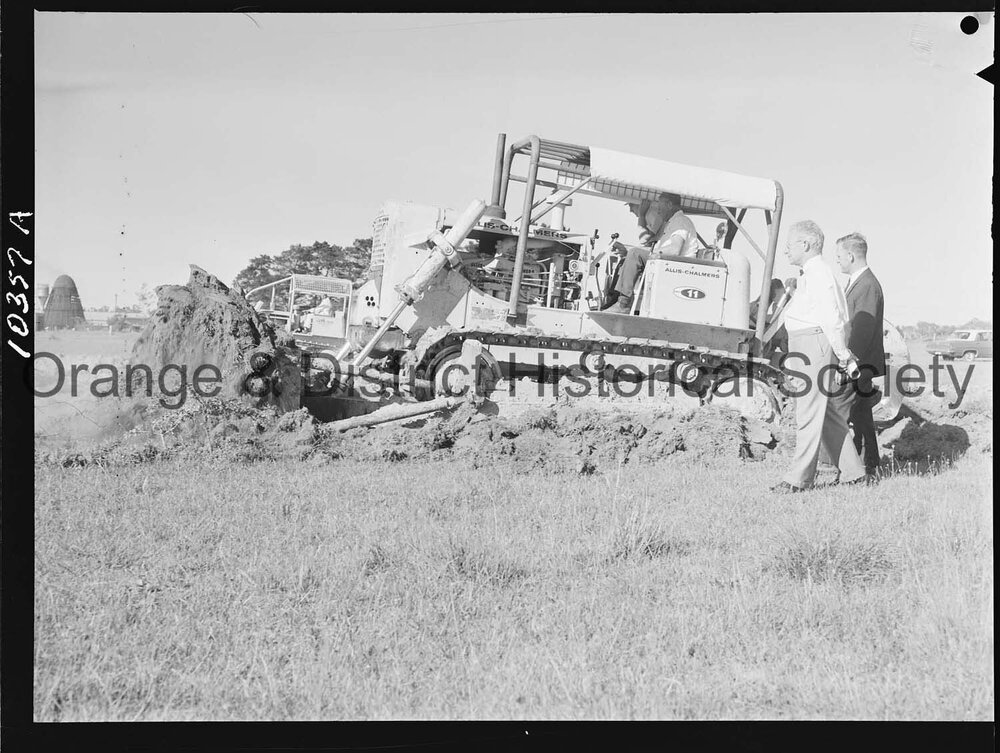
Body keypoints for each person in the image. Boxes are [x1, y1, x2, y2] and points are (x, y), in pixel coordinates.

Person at [771, 220, 869, 493]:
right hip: (807, 342)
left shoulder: (819, 274)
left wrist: (843, 355)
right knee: (825, 414)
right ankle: (854, 472)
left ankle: (798, 479)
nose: (786, 251)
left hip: (814, 343)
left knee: (809, 413)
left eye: (789, 245)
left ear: (805, 244)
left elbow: (832, 318)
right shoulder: (811, 274)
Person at [833, 232, 886, 475]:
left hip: (859, 363)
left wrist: (847, 361)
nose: (838, 260)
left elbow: (862, 329)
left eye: (839, 256)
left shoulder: (866, 285)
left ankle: (844, 466)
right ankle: (870, 463)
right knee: (861, 414)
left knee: (838, 411)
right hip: (862, 362)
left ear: (851, 256)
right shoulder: (863, 282)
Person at [602, 192, 698, 313]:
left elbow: (674, 250)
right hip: (670, 265)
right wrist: (628, 251)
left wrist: (648, 253)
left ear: (669, 204)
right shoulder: (674, 222)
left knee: (635, 254)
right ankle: (615, 300)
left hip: (677, 268)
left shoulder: (680, 221)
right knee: (630, 255)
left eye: (659, 208)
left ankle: (623, 303)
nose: (658, 212)